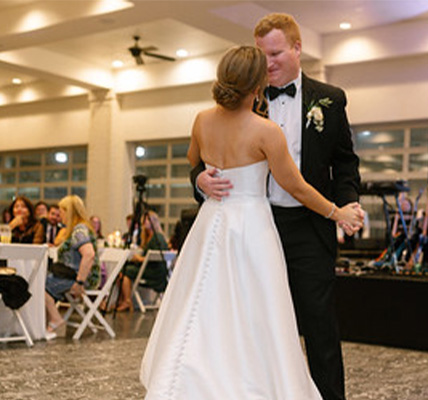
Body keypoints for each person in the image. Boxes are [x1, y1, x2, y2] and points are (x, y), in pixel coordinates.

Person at [141, 45, 362, 399]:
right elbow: (297, 186)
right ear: (258, 83)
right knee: (258, 311)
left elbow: (192, 159)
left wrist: (201, 178)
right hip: (252, 226)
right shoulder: (266, 131)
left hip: (211, 223)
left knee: (206, 309)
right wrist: (338, 212)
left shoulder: (201, 120)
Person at [43, 195, 98, 338]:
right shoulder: (77, 229)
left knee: (39, 284)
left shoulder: (79, 230)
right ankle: (50, 320)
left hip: (78, 277)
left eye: (61, 212)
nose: (60, 216)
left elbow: (89, 254)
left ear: (69, 212)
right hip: (72, 274)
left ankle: (56, 319)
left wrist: (79, 282)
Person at [115, 211, 169, 312]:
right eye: (144, 220)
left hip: (154, 272)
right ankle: (124, 300)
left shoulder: (157, 238)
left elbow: (155, 258)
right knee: (124, 271)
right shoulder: (151, 237)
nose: (145, 222)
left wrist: (139, 259)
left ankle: (126, 300)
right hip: (154, 269)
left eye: (147, 220)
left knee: (125, 271)